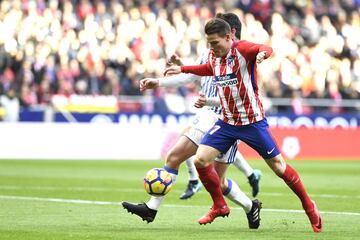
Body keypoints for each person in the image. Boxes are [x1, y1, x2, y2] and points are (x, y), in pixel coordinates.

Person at [163, 17, 322, 232]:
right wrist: (182, 70)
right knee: (200, 160)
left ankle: (308, 205)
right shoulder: (215, 56)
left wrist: (264, 54)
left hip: (252, 122)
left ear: (229, 37)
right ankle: (219, 205)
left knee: (278, 167)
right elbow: (207, 68)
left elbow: (265, 47)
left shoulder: (242, 49)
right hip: (227, 122)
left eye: (215, 43)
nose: (212, 48)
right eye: (209, 43)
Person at [123, 13, 262, 229]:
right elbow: (190, 76)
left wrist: (209, 101)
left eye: (217, 36)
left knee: (219, 180)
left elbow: (239, 99)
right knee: (174, 157)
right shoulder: (210, 54)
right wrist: (158, 82)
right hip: (206, 118)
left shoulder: (241, 62)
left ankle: (249, 206)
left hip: (227, 122)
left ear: (230, 33)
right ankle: (151, 208)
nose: (212, 42)